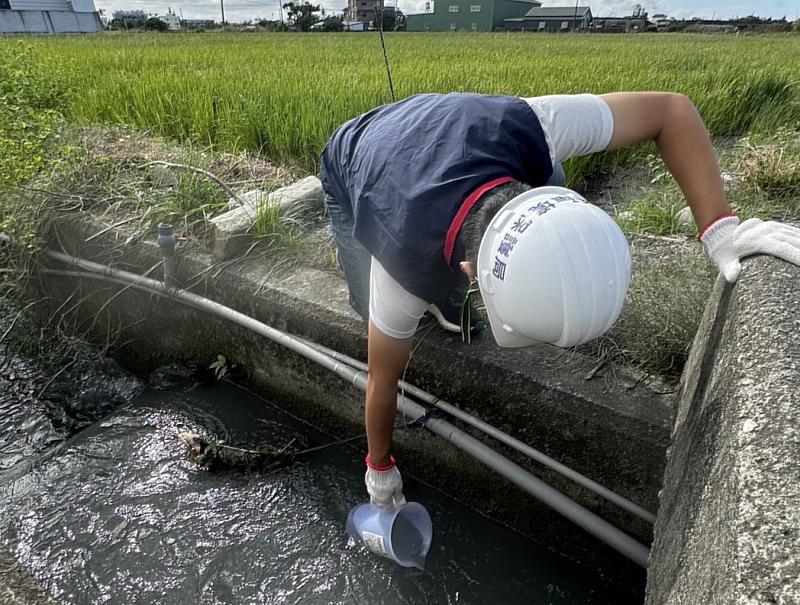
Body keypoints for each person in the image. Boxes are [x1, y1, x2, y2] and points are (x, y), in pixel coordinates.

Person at [319, 91, 800, 510]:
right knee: (371, 311)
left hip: (451, 127)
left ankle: (446, 302)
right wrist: (378, 467)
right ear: (472, 271)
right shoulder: (398, 265)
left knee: (553, 168)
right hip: (354, 151)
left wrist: (718, 227)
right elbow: (382, 380)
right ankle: (433, 301)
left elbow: (670, 112)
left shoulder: (530, 127)